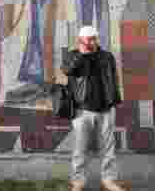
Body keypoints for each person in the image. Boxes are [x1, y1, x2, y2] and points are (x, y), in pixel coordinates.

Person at [62, 25, 124, 191]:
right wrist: (82, 55)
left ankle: (109, 180)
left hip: (106, 108)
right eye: (89, 39)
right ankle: (78, 181)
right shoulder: (73, 56)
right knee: (80, 148)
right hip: (82, 110)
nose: (92, 42)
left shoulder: (106, 56)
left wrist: (113, 102)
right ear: (80, 40)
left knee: (108, 148)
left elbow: (113, 80)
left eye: (94, 38)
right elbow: (68, 70)